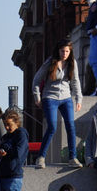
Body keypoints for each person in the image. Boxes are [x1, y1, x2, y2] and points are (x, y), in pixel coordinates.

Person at [32, 39, 82, 168]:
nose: (64, 54)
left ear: (70, 52)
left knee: (71, 126)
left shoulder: (72, 63)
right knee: (52, 127)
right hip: (50, 97)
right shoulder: (50, 62)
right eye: (62, 51)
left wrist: (78, 99)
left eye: (67, 51)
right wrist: (37, 97)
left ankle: (73, 157)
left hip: (66, 97)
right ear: (58, 51)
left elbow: (75, 82)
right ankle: (41, 158)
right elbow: (36, 80)